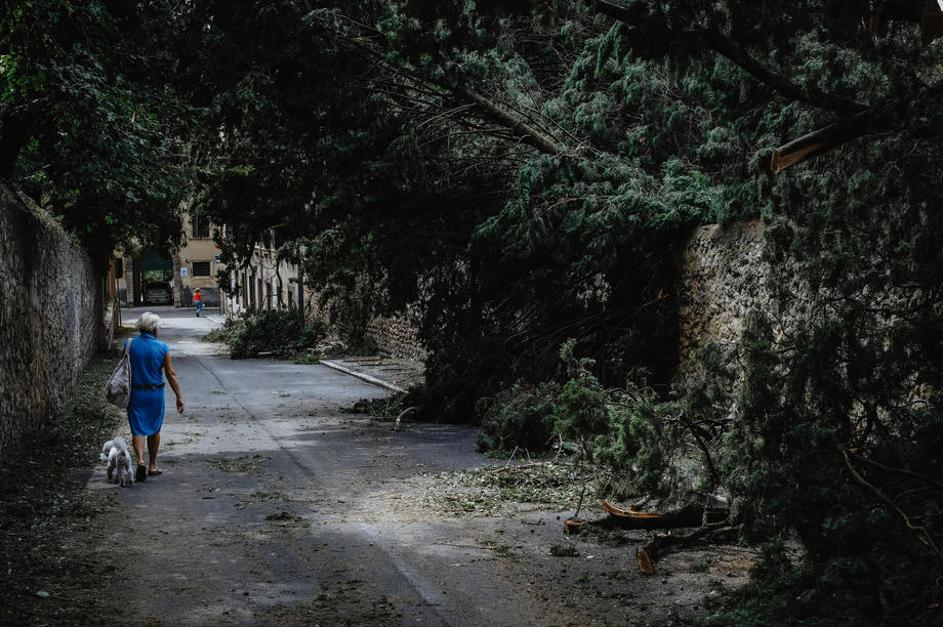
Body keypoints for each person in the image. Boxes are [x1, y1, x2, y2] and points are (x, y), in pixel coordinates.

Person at [125, 312, 185, 481]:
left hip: (135, 393)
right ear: (154, 329)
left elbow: (125, 368)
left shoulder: (129, 344)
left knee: (137, 428)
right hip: (155, 393)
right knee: (154, 429)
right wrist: (179, 396)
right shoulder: (163, 347)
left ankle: (140, 461)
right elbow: (170, 374)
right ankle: (152, 465)